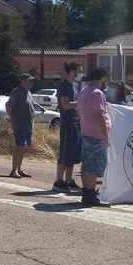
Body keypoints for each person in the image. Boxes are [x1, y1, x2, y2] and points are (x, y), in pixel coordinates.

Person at [76, 68, 111, 207]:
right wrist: (105, 136)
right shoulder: (97, 93)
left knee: (87, 163)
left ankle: (87, 193)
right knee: (93, 165)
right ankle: (90, 195)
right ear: (102, 78)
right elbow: (99, 115)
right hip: (96, 135)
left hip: (87, 132)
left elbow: (79, 111)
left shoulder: (84, 91)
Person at [53, 62, 82, 192]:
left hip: (76, 123)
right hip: (67, 124)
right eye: (78, 71)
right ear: (71, 71)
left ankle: (69, 180)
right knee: (65, 152)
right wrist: (81, 103)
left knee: (73, 153)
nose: (80, 73)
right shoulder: (64, 86)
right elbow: (65, 105)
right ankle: (59, 181)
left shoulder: (75, 86)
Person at [6, 73, 36, 178]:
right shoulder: (17, 92)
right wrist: (13, 118)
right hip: (19, 124)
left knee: (23, 148)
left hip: (28, 125)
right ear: (22, 81)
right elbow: (9, 106)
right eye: (29, 80)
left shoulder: (28, 92)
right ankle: (13, 170)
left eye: (32, 81)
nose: (31, 83)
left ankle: (19, 169)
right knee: (19, 147)